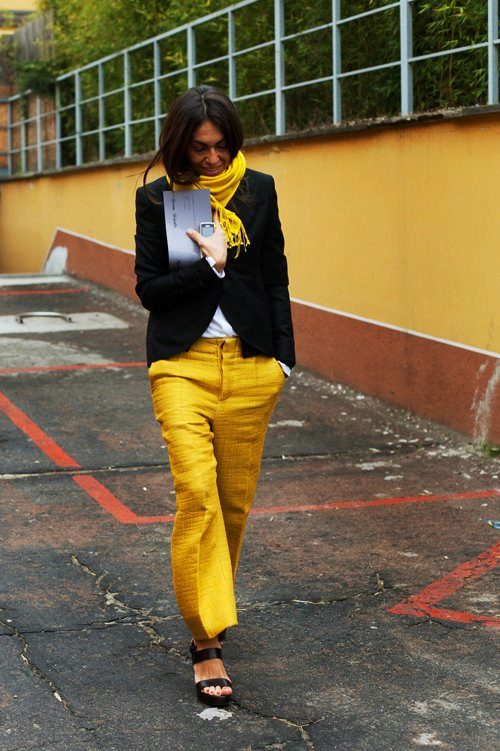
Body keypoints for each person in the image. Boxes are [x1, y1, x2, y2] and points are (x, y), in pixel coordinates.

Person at [134, 85, 295, 707]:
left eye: (222, 145)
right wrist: (211, 266)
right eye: (200, 147)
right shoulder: (158, 199)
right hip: (182, 364)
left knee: (232, 505)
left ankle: (213, 611)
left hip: (252, 365)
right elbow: (150, 289)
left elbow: (275, 274)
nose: (212, 158)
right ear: (180, 145)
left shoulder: (259, 190)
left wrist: (283, 358)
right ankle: (205, 642)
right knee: (197, 495)